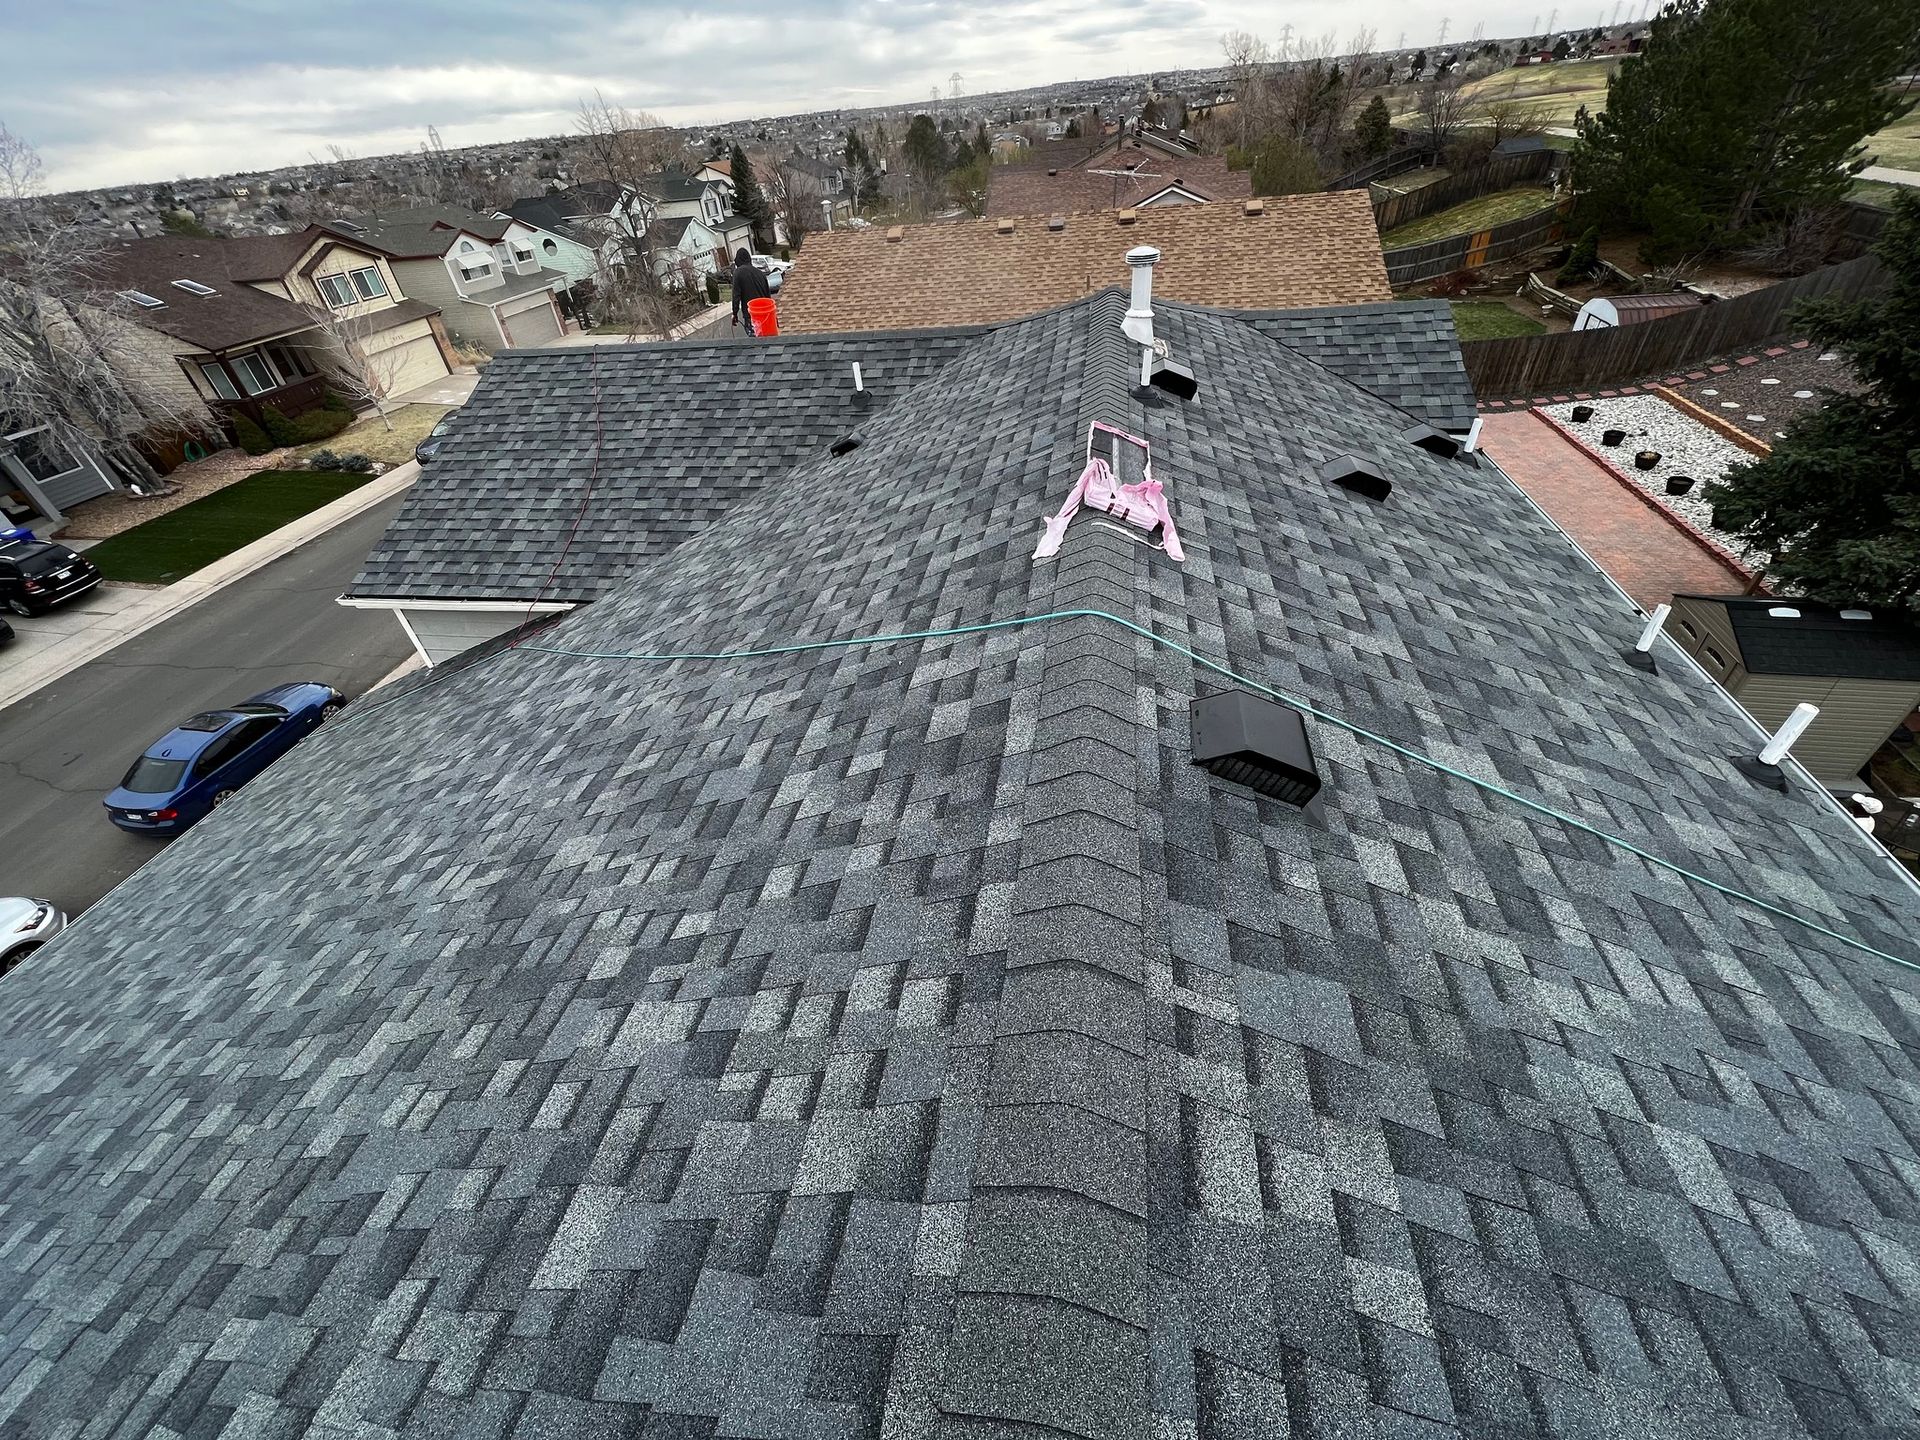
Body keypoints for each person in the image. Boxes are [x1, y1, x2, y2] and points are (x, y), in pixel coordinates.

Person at [730, 248, 772, 336]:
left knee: (756, 344)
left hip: (752, 316)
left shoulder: (738, 273)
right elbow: (768, 297)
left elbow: (736, 296)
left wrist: (735, 314)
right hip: (766, 315)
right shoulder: (760, 273)